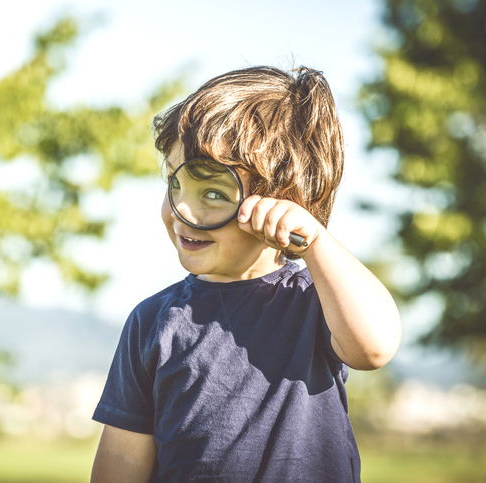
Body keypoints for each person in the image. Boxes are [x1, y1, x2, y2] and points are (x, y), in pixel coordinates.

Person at [89, 66, 402, 482]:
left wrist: (315, 241)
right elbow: (120, 464)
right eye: (175, 185)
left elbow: (374, 348)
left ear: (281, 204)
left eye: (214, 194)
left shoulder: (315, 300)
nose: (184, 214)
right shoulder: (153, 321)